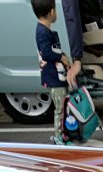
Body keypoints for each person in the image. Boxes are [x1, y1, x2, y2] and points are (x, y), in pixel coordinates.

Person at [31, 0, 70, 145]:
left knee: (63, 106)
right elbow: (46, 53)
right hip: (53, 77)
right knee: (60, 108)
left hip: (57, 75)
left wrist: (63, 56)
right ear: (52, 12)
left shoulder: (44, 30)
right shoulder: (42, 32)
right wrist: (62, 58)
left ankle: (64, 134)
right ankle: (59, 137)